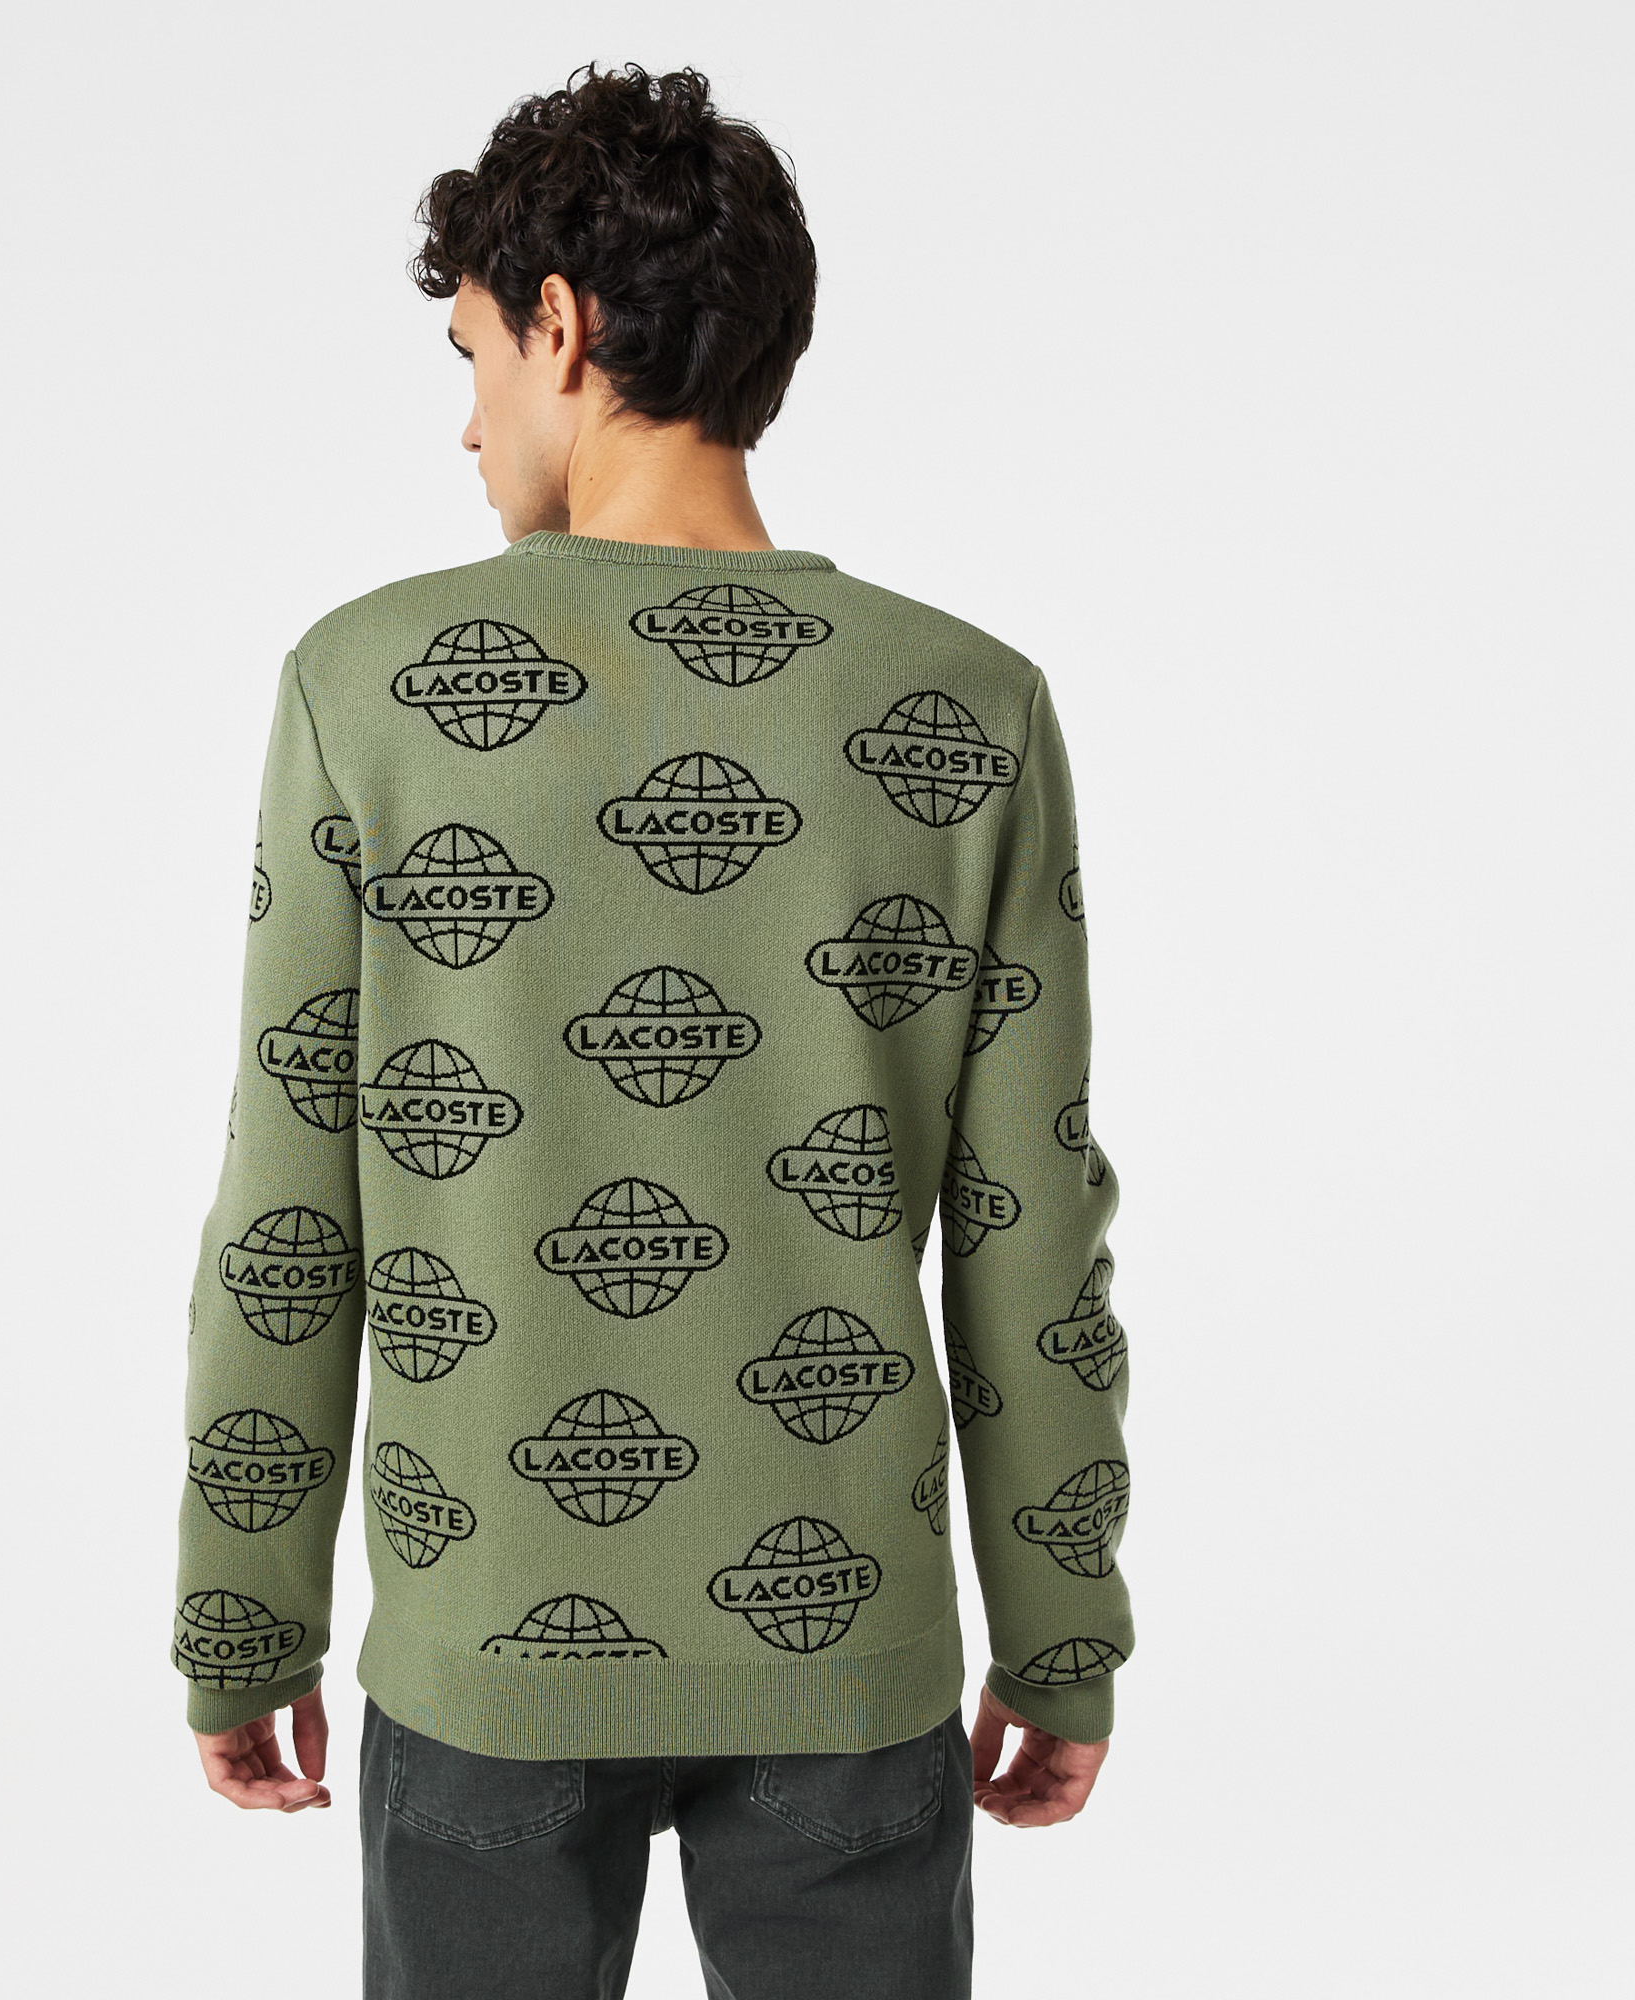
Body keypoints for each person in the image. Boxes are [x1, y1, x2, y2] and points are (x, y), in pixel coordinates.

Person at [172, 60, 1133, 2000]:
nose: (466, 424)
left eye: (471, 356)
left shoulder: (367, 689)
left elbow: (287, 1211)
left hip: (485, 1642)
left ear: (558, 323)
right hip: (841, 1645)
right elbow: (1031, 1230)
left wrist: (238, 1618)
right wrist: (1062, 1632)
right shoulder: (970, 708)